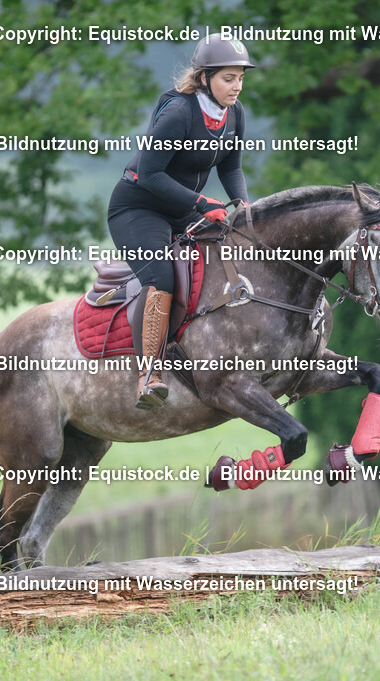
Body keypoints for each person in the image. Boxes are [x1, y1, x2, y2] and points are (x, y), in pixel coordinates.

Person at [107, 36, 255, 410]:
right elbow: (149, 174)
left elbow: (231, 166)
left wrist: (244, 203)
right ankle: (149, 375)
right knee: (161, 277)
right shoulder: (179, 112)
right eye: (228, 78)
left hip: (183, 208)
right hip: (138, 208)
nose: (236, 86)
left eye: (240, 78)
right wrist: (202, 202)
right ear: (205, 78)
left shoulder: (234, 114)